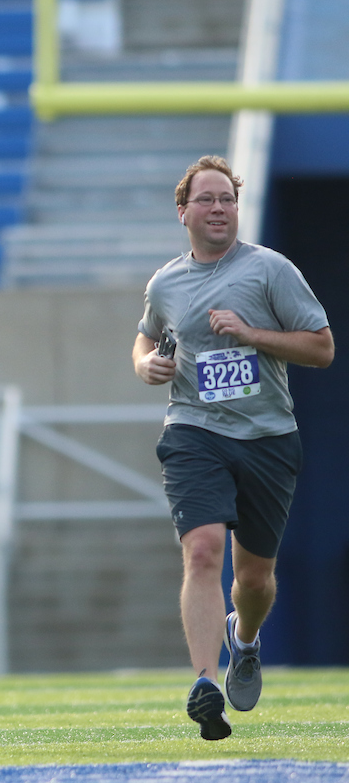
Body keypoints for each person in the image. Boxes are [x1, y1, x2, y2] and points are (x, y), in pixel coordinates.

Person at [133, 155, 334, 741]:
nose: (219, 208)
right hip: (194, 431)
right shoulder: (166, 283)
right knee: (202, 551)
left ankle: (243, 639)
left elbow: (322, 348)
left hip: (268, 438)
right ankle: (203, 682)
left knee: (254, 581)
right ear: (183, 211)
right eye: (207, 199)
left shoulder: (271, 270)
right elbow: (146, 336)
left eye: (227, 199)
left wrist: (251, 334)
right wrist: (146, 364)